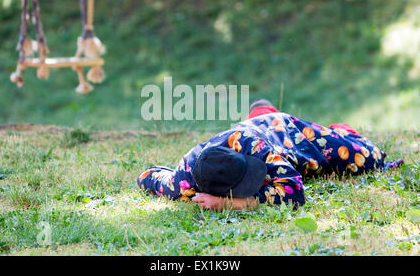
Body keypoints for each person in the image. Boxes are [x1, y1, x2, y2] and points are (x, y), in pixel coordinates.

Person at [137, 99, 403, 211]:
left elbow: (294, 190)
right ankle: (260, 112)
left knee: (372, 159)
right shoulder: (182, 182)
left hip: (284, 133)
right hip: (251, 131)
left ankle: (337, 131)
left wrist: (232, 204)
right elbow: (146, 176)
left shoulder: (257, 150)